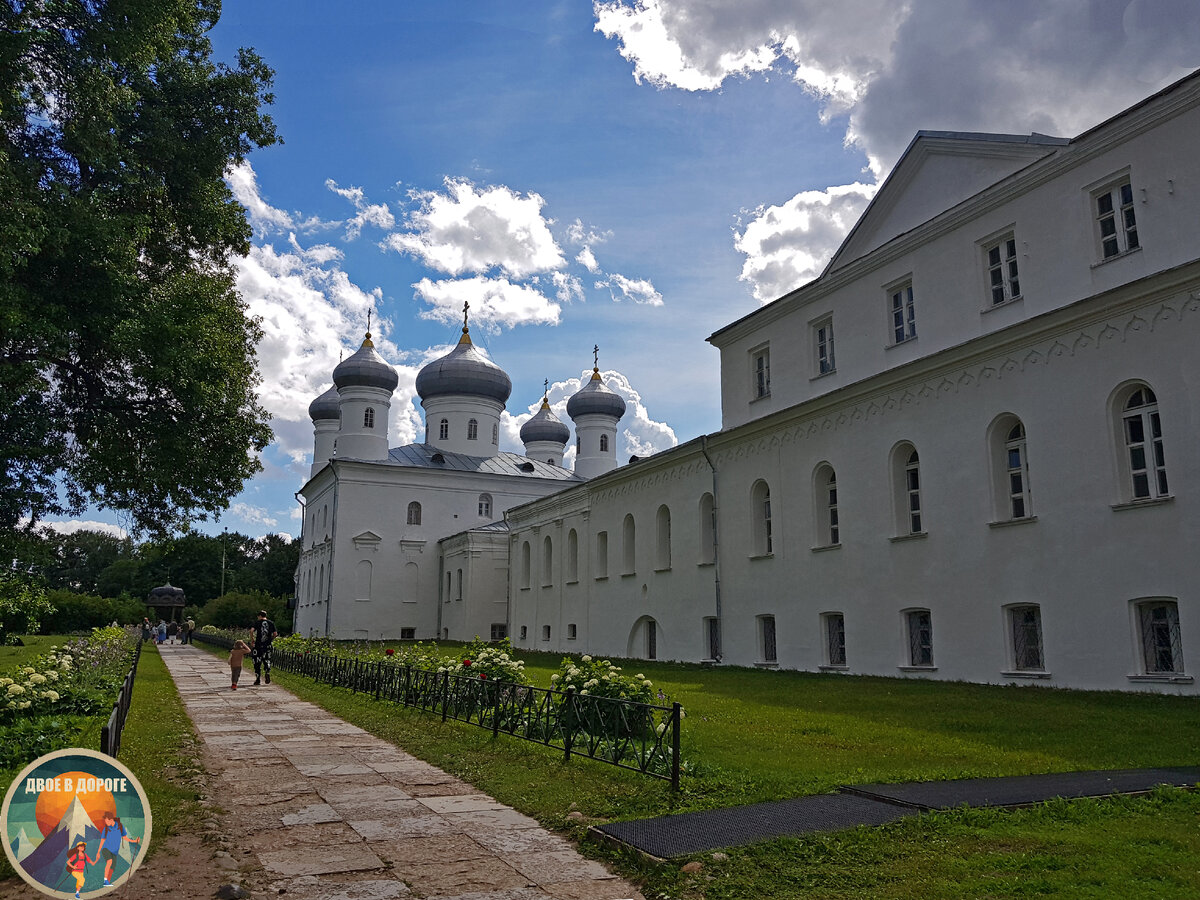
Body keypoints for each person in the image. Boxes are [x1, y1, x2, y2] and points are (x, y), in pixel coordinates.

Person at [98, 811, 140, 886]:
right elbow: (102, 840)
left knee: (113, 867)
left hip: (114, 851)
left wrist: (134, 841)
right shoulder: (106, 829)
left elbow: (125, 837)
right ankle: (105, 880)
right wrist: (98, 852)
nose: (106, 823)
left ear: (111, 819)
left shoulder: (120, 826)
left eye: (107, 821)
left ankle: (107, 882)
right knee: (109, 861)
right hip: (106, 849)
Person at [250, 610, 277, 685]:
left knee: (257, 661)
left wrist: (253, 640)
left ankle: (258, 678)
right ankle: (267, 671)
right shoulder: (271, 623)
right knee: (267, 659)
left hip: (258, 645)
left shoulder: (257, 623)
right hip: (267, 645)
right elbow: (275, 633)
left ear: (259, 616)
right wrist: (270, 639)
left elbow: (251, 631)